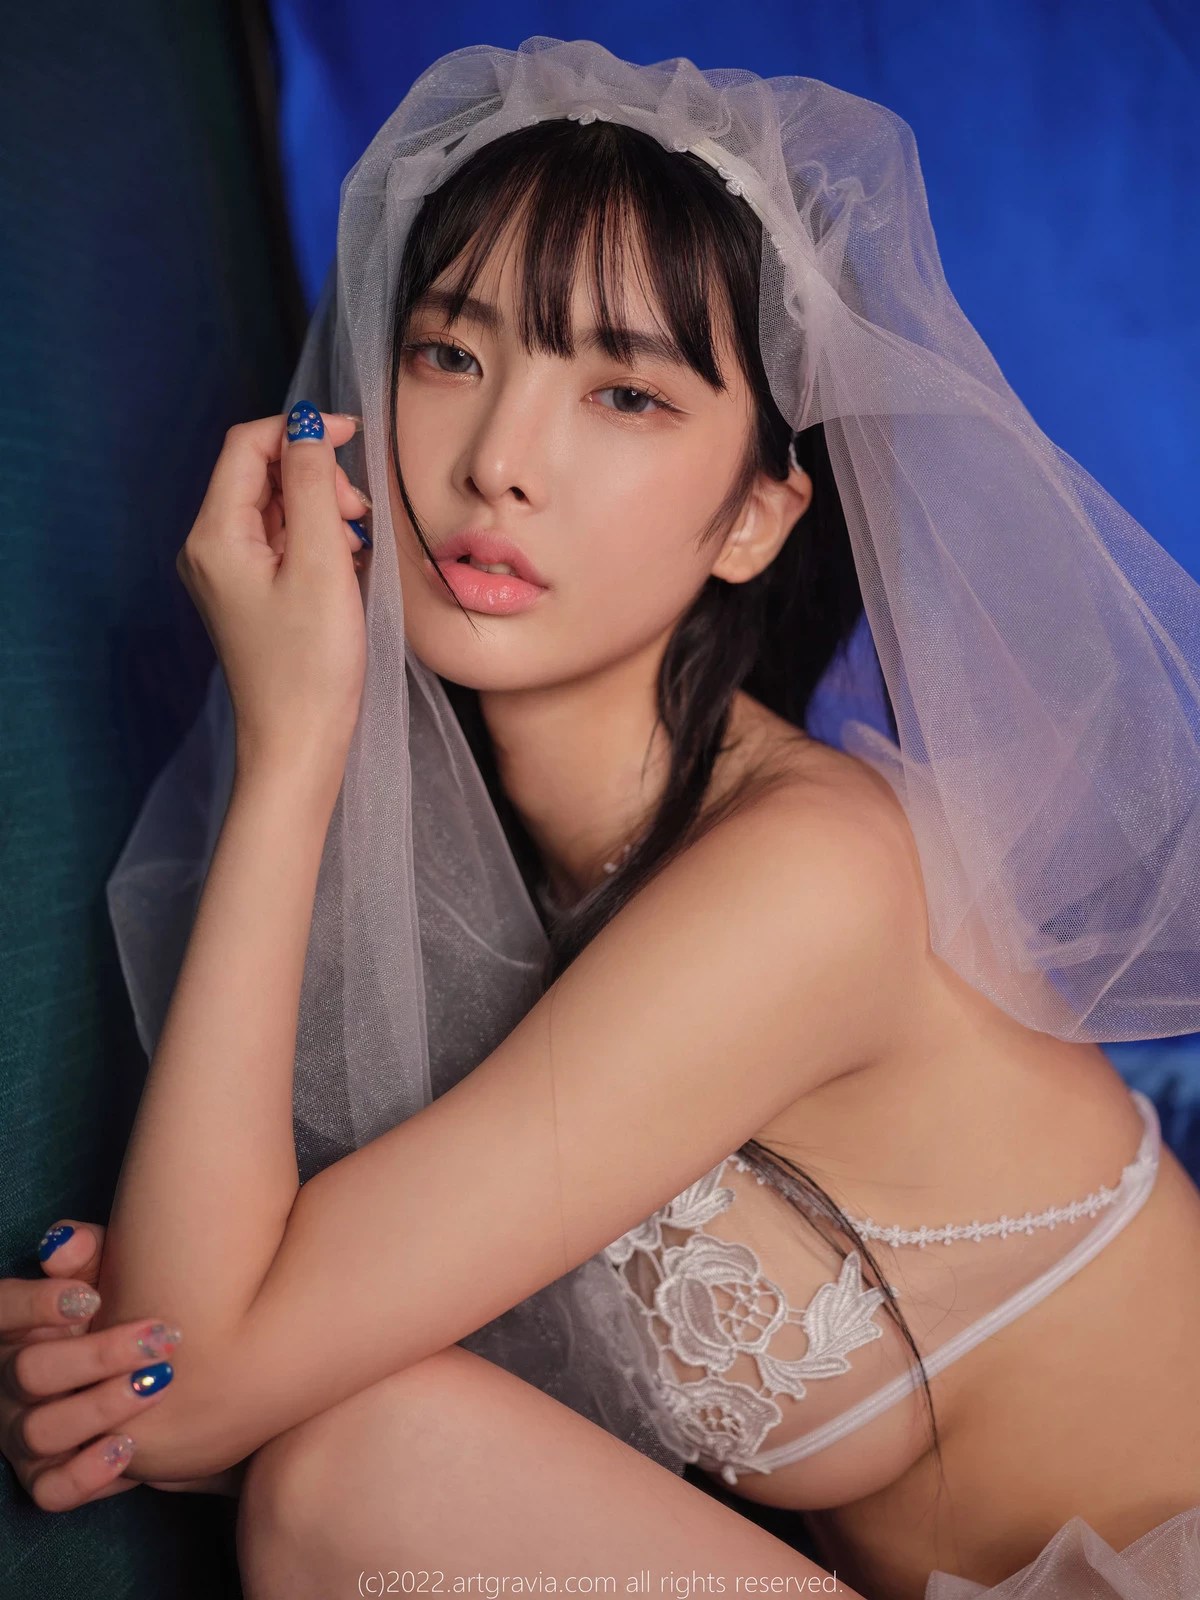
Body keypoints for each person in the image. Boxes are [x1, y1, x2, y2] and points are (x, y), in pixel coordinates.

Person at [4, 37, 1200, 1600]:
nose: (499, 463)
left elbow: (186, 1392)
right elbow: (195, 1359)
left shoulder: (813, 878)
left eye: (625, 392)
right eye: (450, 354)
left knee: (359, 1467)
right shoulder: (502, 877)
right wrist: (151, 1358)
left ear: (756, 517)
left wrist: (296, 740)